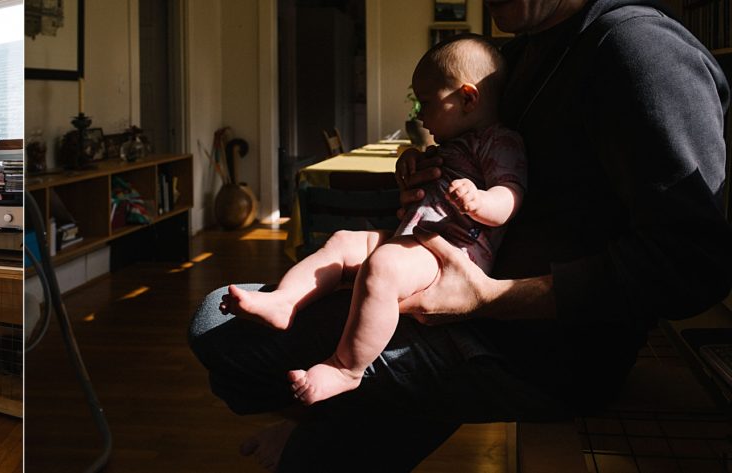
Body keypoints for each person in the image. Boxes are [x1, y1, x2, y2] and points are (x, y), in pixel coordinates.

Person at [189, 0, 732, 470]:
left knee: (219, 324)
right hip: (470, 305)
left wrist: (491, 300)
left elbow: (693, 262)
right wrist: (423, 180)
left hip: (537, 354)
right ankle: (331, 425)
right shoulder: (520, 54)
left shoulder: (641, 50)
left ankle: (333, 417)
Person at [221, 36, 527, 405]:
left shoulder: (499, 141)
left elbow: (510, 196)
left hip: (453, 256)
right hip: (416, 240)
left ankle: (346, 367)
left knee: (382, 265)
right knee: (345, 240)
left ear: (467, 98)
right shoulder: (450, 143)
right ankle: (285, 300)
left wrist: (480, 201)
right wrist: (411, 162)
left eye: (426, 103)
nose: (419, 115)